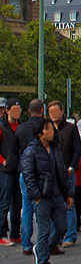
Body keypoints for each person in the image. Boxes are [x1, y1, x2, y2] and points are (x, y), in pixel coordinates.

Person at [20, 117, 72, 264]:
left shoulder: (55, 148)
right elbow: (28, 176)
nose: (52, 131)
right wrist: (36, 196)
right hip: (42, 197)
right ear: (40, 132)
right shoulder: (31, 151)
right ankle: (43, 263)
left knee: (62, 227)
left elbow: (62, 172)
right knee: (44, 230)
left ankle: (42, 250)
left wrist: (68, 193)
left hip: (57, 195)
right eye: (49, 128)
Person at [47, 101, 81, 247]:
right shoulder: (47, 129)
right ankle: (56, 236)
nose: (54, 116)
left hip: (67, 170)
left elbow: (77, 150)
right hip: (52, 172)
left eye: (56, 112)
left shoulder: (71, 128)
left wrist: (71, 168)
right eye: (50, 113)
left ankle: (70, 236)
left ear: (62, 112)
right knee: (54, 205)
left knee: (69, 203)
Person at [14, 100, 44, 254]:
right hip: (41, 172)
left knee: (26, 208)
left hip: (25, 172)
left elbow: (14, 150)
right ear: (42, 109)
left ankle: (26, 243)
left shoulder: (20, 128)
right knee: (43, 207)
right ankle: (43, 242)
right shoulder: (45, 126)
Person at [0, 98, 20, 245]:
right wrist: (2, 160)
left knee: (17, 204)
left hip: (18, 169)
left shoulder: (21, 126)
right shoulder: (2, 126)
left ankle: (15, 233)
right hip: (5, 170)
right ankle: (2, 233)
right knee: (4, 202)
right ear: (7, 110)